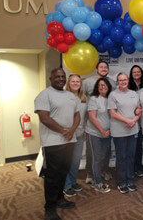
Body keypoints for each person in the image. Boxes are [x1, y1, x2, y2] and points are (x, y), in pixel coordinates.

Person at [34, 68, 80, 220]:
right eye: (57, 76)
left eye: (63, 76)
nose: (60, 79)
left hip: (69, 140)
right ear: (50, 78)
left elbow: (77, 115)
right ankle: (50, 208)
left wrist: (72, 130)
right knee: (52, 176)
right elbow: (44, 118)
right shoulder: (44, 95)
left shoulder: (71, 96)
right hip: (53, 142)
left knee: (63, 172)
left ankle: (60, 198)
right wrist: (63, 131)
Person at [83, 60, 116, 184]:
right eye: (101, 67)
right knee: (92, 153)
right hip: (94, 125)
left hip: (108, 126)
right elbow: (82, 96)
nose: (103, 68)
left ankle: (104, 170)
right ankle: (90, 174)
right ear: (96, 68)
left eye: (105, 67)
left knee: (105, 152)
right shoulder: (87, 82)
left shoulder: (112, 82)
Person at [108, 72, 141, 194]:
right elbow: (112, 113)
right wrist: (128, 120)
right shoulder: (113, 95)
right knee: (121, 157)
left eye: (125, 79)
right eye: (120, 80)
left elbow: (138, 110)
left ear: (128, 80)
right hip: (119, 131)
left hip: (133, 130)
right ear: (117, 82)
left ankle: (130, 180)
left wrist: (134, 120)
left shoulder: (134, 94)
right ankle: (122, 182)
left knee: (131, 156)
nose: (123, 82)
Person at [85, 77, 112, 193]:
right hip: (95, 133)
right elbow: (92, 117)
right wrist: (102, 131)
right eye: (100, 85)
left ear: (108, 86)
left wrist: (108, 131)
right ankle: (97, 183)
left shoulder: (110, 98)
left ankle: (98, 175)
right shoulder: (94, 99)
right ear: (97, 87)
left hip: (107, 133)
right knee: (96, 158)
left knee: (103, 156)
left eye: (104, 85)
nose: (102, 86)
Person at [63, 74, 87, 197]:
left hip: (80, 133)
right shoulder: (63, 96)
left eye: (78, 81)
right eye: (73, 81)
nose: (76, 83)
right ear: (69, 82)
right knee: (67, 161)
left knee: (76, 161)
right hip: (68, 134)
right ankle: (66, 185)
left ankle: (73, 182)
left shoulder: (83, 98)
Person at [128, 65, 143, 177]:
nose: (136, 73)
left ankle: (138, 168)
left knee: (138, 146)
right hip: (131, 120)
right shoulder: (127, 86)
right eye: (134, 72)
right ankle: (131, 168)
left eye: (138, 71)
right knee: (131, 147)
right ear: (131, 74)